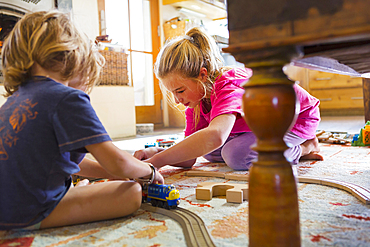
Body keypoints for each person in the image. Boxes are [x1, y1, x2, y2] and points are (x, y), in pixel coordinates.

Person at [0, 10, 163, 231]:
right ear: (74, 55)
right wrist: (149, 172)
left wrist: (113, 173)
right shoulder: (68, 97)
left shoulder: (14, 99)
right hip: (26, 212)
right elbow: (117, 161)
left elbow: (68, 161)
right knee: (131, 193)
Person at [134, 27, 322, 170]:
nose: (176, 100)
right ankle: (279, 146)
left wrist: (155, 163)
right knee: (207, 150)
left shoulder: (228, 84)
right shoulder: (196, 101)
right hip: (260, 123)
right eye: (172, 93)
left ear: (202, 75)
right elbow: (189, 157)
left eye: (180, 91)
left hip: (295, 116)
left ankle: (305, 147)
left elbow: (215, 135)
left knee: (236, 155)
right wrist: (155, 153)